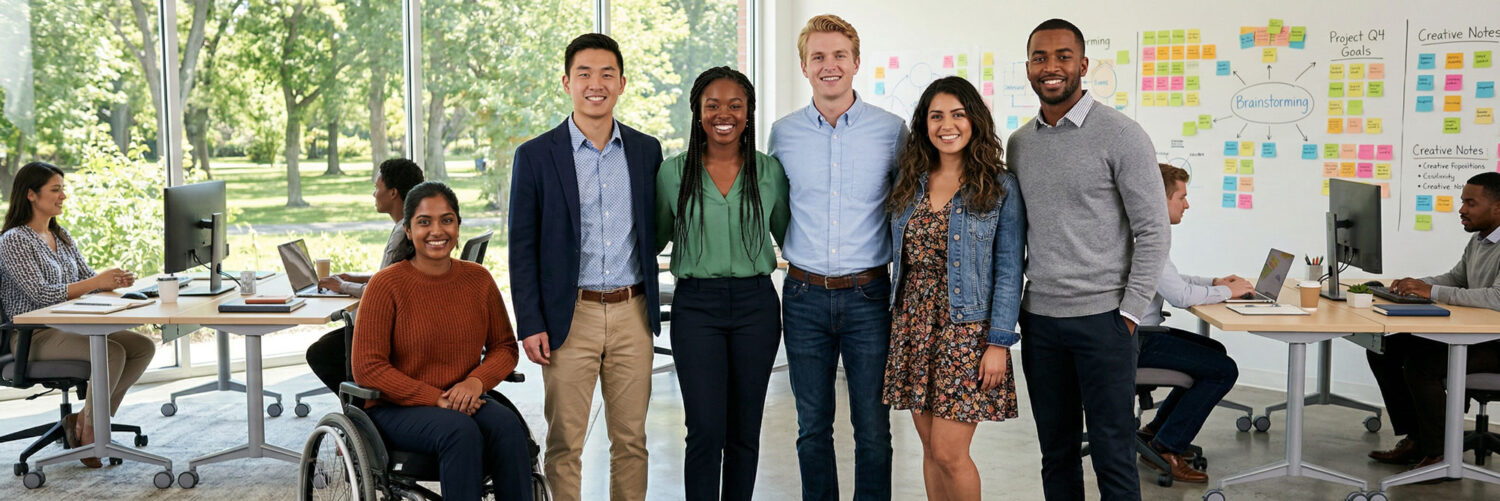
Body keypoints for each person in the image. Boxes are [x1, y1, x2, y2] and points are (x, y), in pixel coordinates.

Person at [1006, 18, 1169, 501]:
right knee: (1055, 454)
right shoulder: (1020, 144)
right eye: (1040, 57)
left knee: (1113, 453)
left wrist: (1130, 312)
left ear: (1082, 65)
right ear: (1029, 67)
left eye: (1061, 57)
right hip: (1041, 322)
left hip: (1105, 323)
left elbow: (1153, 230)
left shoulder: (1121, 134)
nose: (1050, 67)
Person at [508, 32, 663, 501]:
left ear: (621, 84)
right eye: (584, 74)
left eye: (607, 74)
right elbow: (522, 246)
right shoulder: (535, 156)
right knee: (565, 444)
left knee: (631, 441)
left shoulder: (645, 151)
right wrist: (530, 322)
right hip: (567, 317)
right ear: (566, 82)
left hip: (632, 313)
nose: (596, 84)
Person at [768, 13, 908, 501]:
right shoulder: (782, 134)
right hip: (803, 295)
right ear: (804, 66)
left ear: (856, 62)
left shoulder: (892, 131)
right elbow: (778, 208)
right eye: (818, 57)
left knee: (873, 428)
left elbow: (905, 207)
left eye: (839, 55)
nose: (830, 66)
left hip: (870, 296)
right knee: (811, 428)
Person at [882, 76, 1025, 501]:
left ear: (974, 121)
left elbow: (1008, 269)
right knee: (930, 450)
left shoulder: (999, 187)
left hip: (967, 331)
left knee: (950, 452)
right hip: (913, 326)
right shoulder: (909, 183)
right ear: (924, 124)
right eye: (937, 115)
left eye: (958, 114)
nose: (948, 125)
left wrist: (999, 342)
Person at [655, 67, 789, 501]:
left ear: (748, 114)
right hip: (697, 308)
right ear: (697, 112)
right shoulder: (673, 173)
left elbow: (789, 235)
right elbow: (654, 236)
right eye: (712, 105)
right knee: (705, 430)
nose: (723, 114)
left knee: (745, 430)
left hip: (756, 306)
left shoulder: (769, 172)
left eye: (735, 105)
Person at [351, 181, 530, 501]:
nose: (437, 230)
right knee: (458, 432)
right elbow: (367, 368)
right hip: (397, 407)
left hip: (465, 396)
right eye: (424, 222)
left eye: (447, 220)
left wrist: (476, 382)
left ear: (458, 226)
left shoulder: (479, 280)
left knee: (507, 427)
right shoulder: (385, 285)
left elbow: (505, 347)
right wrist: (436, 398)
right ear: (407, 230)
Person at [0, 161, 156, 468]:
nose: (63, 196)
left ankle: (85, 422)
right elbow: (42, 294)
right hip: (34, 335)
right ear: (31, 195)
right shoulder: (14, 240)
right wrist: (96, 282)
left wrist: (112, 284)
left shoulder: (61, 236)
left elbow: (86, 280)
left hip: (71, 327)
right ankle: (92, 435)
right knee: (110, 353)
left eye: (63, 189)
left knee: (142, 347)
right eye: (55, 190)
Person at [1366, 172, 1500, 472]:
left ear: (1498, 208)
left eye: (1470, 203)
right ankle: (1416, 439)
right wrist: (1414, 284)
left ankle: (1438, 455)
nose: (1462, 209)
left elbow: (1496, 298)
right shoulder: (1481, 240)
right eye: (1462, 201)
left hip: (1496, 345)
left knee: (1422, 364)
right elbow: (1457, 279)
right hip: (1481, 336)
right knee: (1385, 347)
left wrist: (1432, 291)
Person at [1134, 163, 1248, 484]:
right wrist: (1228, 291)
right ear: (1160, 199)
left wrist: (1215, 282)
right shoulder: (1146, 239)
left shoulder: (1141, 231)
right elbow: (1180, 296)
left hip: (1138, 334)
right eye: (1181, 197)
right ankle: (1168, 447)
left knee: (1214, 350)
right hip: (1135, 341)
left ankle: (1156, 431)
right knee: (1223, 368)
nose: (1187, 204)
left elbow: (1171, 279)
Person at [305, 157, 424, 393]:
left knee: (319, 353)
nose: (373, 194)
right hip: (399, 325)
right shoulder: (409, 226)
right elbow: (393, 279)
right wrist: (354, 278)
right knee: (326, 347)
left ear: (393, 193)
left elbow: (385, 292)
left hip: (386, 332)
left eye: (376, 188)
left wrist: (342, 286)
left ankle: (364, 403)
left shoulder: (404, 234)